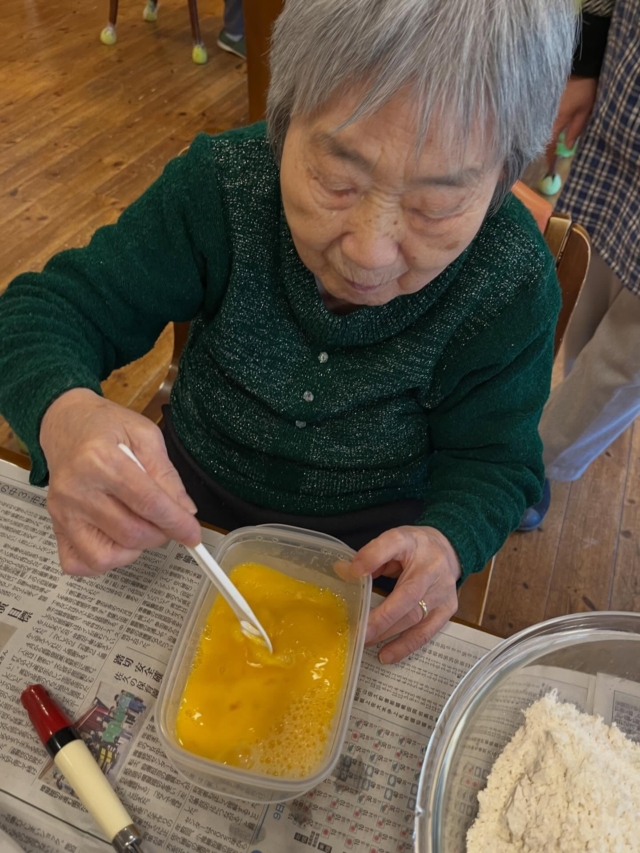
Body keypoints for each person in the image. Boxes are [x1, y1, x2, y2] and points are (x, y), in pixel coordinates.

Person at [0, 0, 576, 663]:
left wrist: (448, 542)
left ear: (506, 177)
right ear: (283, 117)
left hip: (366, 566)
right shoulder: (224, 189)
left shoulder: (507, 281)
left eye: (436, 205)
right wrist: (65, 416)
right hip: (186, 524)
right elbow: (44, 312)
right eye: (336, 180)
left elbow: (496, 464)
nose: (369, 253)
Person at [520, 0, 640, 530]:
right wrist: (585, 64)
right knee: (587, 295)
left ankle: (530, 467)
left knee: (625, 358)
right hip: (626, 90)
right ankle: (544, 416)